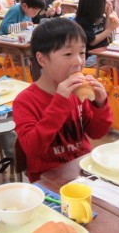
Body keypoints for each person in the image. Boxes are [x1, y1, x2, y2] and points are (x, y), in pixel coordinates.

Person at [13, 18, 111, 182]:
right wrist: (59, 104)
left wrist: (100, 105)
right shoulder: (25, 101)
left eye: (82, 53)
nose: (78, 61)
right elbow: (33, 149)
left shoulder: (77, 93)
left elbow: (97, 133)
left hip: (83, 169)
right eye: (68, 54)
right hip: (48, 180)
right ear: (42, 59)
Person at [74, 0, 119, 67]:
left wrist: (108, 14)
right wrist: (110, 29)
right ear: (95, 3)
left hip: (103, 51)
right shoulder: (82, 21)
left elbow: (105, 32)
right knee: (116, 67)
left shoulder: (99, 16)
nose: (107, 1)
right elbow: (92, 42)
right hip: (90, 57)